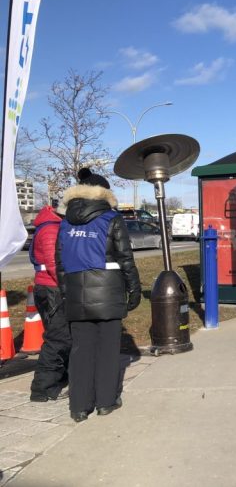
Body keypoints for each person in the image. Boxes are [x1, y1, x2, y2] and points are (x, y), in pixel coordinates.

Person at [55, 168, 141, 422]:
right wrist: (134, 289)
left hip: (77, 294)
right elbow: (125, 258)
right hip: (108, 293)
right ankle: (106, 401)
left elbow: (59, 262)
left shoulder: (66, 221)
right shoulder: (112, 218)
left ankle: (79, 406)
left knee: (81, 350)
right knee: (107, 349)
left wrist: (65, 293)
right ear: (104, 193)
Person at [29, 202, 71, 402]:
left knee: (59, 335)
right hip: (52, 288)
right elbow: (54, 263)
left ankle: (60, 377)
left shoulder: (48, 225)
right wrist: (67, 288)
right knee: (58, 338)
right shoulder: (51, 229)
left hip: (47, 287)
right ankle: (43, 388)